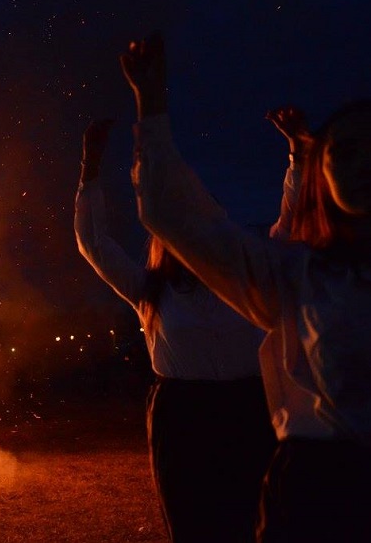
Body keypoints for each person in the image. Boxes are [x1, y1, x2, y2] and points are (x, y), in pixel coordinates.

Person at [120, 31, 371, 542]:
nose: (361, 163)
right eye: (342, 152)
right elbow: (175, 218)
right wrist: (152, 108)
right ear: (326, 177)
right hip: (324, 488)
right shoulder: (297, 275)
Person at [74, 119, 275, 542]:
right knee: (194, 524)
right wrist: (90, 166)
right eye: (182, 228)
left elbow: (293, 233)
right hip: (184, 414)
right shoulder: (152, 291)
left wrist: (300, 157)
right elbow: (95, 242)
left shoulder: (249, 279)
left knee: (260, 523)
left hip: (251, 407)